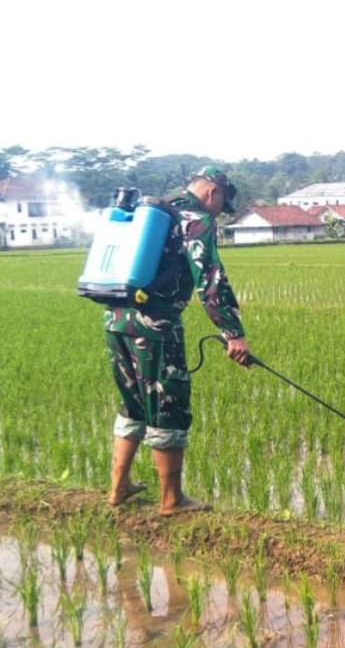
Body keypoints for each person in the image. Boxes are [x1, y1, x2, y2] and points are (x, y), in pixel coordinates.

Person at [104, 166, 250, 515]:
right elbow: (210, 278)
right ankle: (172, 500)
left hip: (115, 317)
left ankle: (118, 487)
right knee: (169, 405)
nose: (218, 211)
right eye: (221, 204)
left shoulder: (155, 212)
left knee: (135, 403)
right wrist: (233, 332)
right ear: (213, 192)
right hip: (154, 324)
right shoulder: (195, 218)